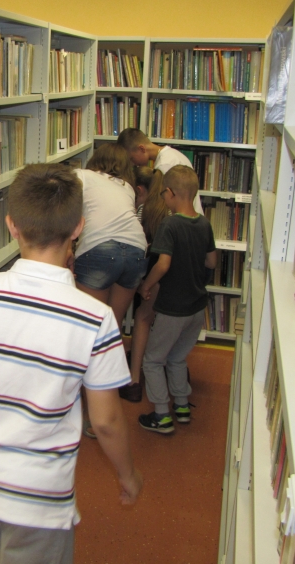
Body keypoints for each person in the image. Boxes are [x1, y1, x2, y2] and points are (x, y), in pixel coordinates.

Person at [0, 164, 143, 564]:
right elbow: (105, 420)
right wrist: (127, 474)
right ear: (78, 228)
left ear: (11, 226)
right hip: (39, 497)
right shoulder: (95, 318)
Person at [136, 165, 217, 433]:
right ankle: (181, 406)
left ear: (170, 193)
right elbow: (212, 261)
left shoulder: (169, 225)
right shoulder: (204, 224)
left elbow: (163, 264)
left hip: (173, 308)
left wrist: (146, 286)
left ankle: (162, 415)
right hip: (197, 308)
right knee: (177, 358)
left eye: (163, 194)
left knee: (153, 360)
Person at [71, 143, 148, 344]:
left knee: (89, 325)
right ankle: (113, 363)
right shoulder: (127, 188)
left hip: (100, 248)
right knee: (113, 326)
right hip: (137, 250)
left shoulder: (83, 175)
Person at [118, 166, 168, 403]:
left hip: (151, 273)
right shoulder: (168, 209)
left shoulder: (140, 210)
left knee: (142, 318)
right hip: (170, 278)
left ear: (139, 190)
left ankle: (134, 380)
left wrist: (143, 283)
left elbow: (136, 244)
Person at [117, 128, 204, 214]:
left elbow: (162, 205)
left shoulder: (164, 165)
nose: (132, 164)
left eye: (131, 159)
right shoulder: (172, 154)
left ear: (142, 149)